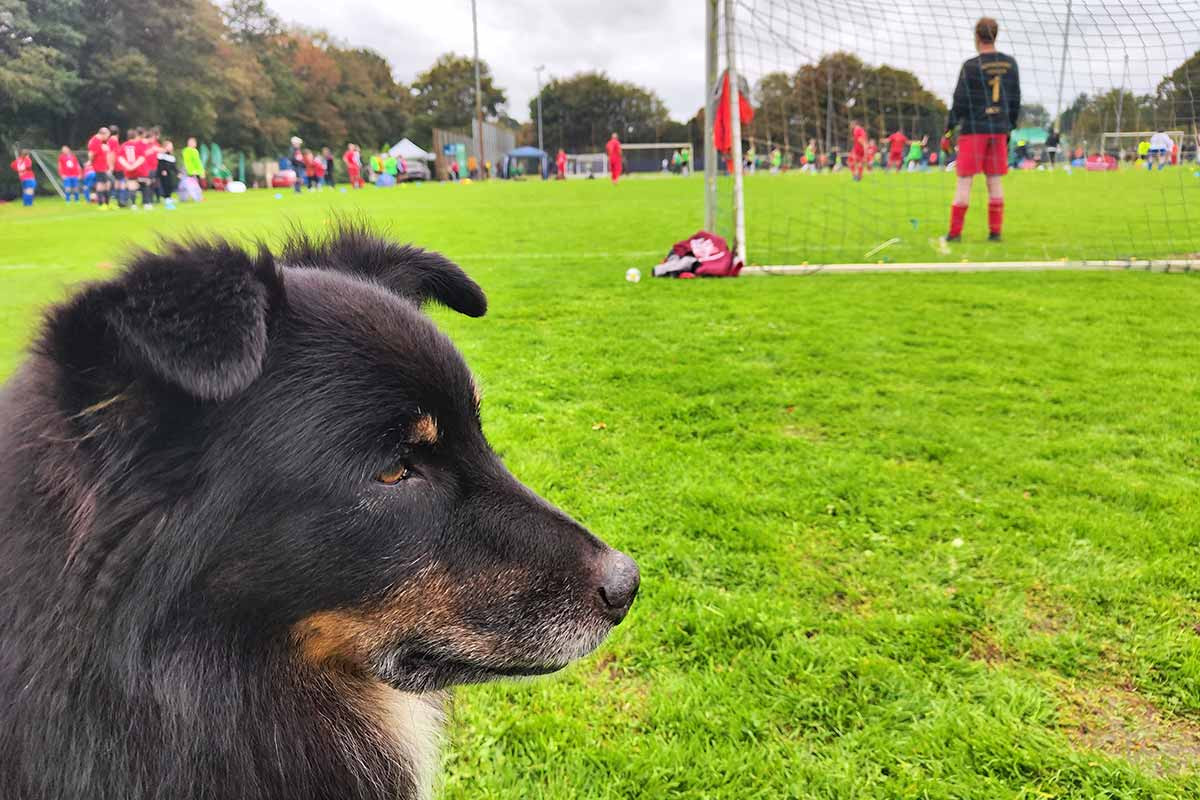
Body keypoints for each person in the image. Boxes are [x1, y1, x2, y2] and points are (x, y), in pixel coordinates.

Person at [943, 16, 1020, 243]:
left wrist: (948, 129)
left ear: (977, 37)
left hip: (974, 129)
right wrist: (1009, 126)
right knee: (994, 180)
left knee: (964, 181)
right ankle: (995, 233)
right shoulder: (1010, 64)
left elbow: (959, 101)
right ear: (995, 35)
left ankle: (955, 234)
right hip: (999, 129)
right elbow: (1016, 99)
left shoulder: (971, 66)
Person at [115, 127, 146, 210]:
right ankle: (146, 203)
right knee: (145, 185)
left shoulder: (123, 145)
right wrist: (134, 166)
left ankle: (133, 204)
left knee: (132, 186)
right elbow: (142, 157)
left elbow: (120, 158)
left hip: (128, 170)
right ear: (135, 136)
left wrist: (128, 166)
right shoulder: (138, 145)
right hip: (139, 169)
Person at [86, 126, 114, 210]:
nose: (108, 138)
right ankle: (102, 204)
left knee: (107, 183)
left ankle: (107, 203)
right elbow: (91, 153)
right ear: (103, 134)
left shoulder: (100, 141)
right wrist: (90, 161)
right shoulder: (95, 141)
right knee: (101, 184)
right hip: (99, 166)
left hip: (103, 166)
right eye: (107, 135)